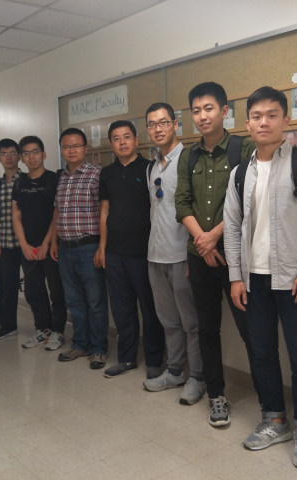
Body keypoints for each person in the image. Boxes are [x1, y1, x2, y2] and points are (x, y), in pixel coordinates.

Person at [223, 87, 297, 467]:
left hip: (294, 280)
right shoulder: (240, 173)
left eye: (271, 115)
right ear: (247, 122)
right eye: (256, 116)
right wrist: (236, 276)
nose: (263, 122)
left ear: (287, 119)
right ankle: (274, 419)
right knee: (263, 353)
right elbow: (231, 227)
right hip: (255, 281)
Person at [174, 81, 258, 427]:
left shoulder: (244, 148)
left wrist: (213, 237)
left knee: (250, 329)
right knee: (207, 328)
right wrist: (202, 241)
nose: (202, 116)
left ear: (224, 111)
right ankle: (216, 395)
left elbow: (251, 201)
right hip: (200, 256)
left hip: (236, 256)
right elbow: (182, 203)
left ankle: (269, 401)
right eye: (196, 111)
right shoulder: (189, 155)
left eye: (209, 108)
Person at [143, 102, 205, 405]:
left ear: (175, 124)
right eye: (152, 124)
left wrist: (194, 255)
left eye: (163, 122)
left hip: (182, 255)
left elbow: (195, 208)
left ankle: (198, 377)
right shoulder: (151, 166)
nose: (158, 129)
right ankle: (175, 371)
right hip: (156, 255)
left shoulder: (190, 159)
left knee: (192, 322)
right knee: (168, 320)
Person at [97, 120, 165, 379]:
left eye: (127, 136)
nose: (122, 142)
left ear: (137, 140)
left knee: (149, 308)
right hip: (115, 252)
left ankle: (155, 360)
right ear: (111, 144)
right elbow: (105, 211)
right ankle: (126, 358)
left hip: (144, 253)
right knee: (122, 309)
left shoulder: (149, 169)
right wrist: (102, 247)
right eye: (116, 138)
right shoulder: (107, 173)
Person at [51, 128, 109, 369]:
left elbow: (105, 213)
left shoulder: (96, 176)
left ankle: (98, 348)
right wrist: (54, 242)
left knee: (95, 302)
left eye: (76, 146)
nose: (71, 150)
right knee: (74, 301)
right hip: (65, 249)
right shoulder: (61, 177)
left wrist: (102, 248)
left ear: (85, 148)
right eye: (66, 147)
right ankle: (80, 344)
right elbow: (57, 211)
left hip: (89, 247)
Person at [12, 136, 67, 349]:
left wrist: (46, 243)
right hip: (28, 246)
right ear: (21, 158)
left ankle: (58, 330)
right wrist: (24, 245)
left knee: (56, 290)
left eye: (35, 152)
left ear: (43, 154)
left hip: (51, 245)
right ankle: (42, 328)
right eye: (26, 153)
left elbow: (57, 213)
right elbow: (16, 215)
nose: (31, 157)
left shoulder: (54, 179)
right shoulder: (20, 182)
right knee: (33, 290)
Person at [0, 139, 22, 340]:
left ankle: (43, 327)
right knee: (7, 286)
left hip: (27, 244)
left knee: (35, 288)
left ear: (19, 156)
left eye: (12, 153)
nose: (8, 157)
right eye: (4, 153)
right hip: (6, 243)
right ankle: (9, 325)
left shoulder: (27, 180)